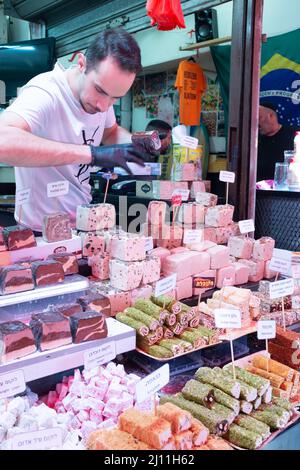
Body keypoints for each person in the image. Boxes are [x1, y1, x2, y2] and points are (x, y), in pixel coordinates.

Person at [0, 28, 151, 232]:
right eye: (100, 90)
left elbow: (110, 132)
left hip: (84, 220)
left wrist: (134, 144)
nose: (103, 106)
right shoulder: (46, 92)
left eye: (115, 98)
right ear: (82, 63)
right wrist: (92, 154)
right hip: (40, 228)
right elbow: (3, 140)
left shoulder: (101, 101)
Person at [257, 102, 299, 181]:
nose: (256, 122)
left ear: (271, 116)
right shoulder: (253, 139)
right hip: (257, 189)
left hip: (286, 188)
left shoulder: (295, 135)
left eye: (259, 118)